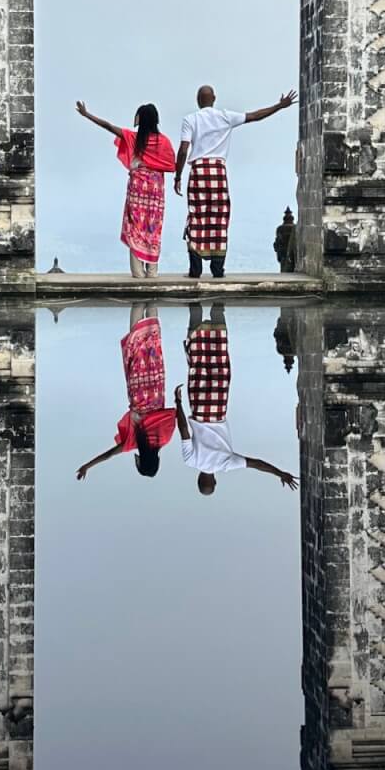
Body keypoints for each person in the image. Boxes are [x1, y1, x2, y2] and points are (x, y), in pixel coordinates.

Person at [173, 85, 297, 278]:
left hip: (198, 171)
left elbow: (183, 150)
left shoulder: (190, 119)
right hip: (218, 171)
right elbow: (255, 116)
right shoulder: (225, 116)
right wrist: (279, 106)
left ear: (198, 100)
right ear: (214, 98)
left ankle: (195, 268)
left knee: (196, 217)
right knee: (219, 218)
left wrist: (178, 175)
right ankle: (217, 268)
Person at [175, 305, 298, 497]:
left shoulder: (225, 464)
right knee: (197, 363)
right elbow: (183, 430)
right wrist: (177, 404)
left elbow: (255, 464)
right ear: (198, 478)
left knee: (220, 363)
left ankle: (218, 310)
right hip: (199, 408)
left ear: (214, 480)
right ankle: (195, 309)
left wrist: (279, 473)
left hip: (218, 408)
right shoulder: (191, 461)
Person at [76, 99, 177, 277]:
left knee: (136, 225)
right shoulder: (164, 142)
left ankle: (138, 272)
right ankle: (152, 271)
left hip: (137, 187)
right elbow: (171, 163)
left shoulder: (134, 138)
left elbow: (108, 126)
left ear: (141, 119)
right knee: (153, 225)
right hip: (155, 189)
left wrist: (87, 115)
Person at [76, 304, 177, 481]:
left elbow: (171, 414)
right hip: (137, 391)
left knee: (154, 345)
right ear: (140, 461)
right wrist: (87, 466)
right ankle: (138, 300)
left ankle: (151, 297)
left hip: (156, 387)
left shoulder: (165, 438)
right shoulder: (133, 443)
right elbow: (108, 455)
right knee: (135, 347)